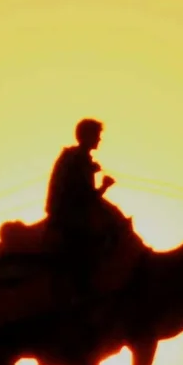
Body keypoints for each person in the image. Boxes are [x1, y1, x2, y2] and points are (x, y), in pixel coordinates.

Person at [46, 118, 116, 304]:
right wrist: (105, 186)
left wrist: (90, 170)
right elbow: (85, 196)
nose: (99, 139)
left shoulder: (73, 157)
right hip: (70, 221)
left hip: (65, 216)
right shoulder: (77, 159)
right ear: (88, 136)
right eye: (97, 135)